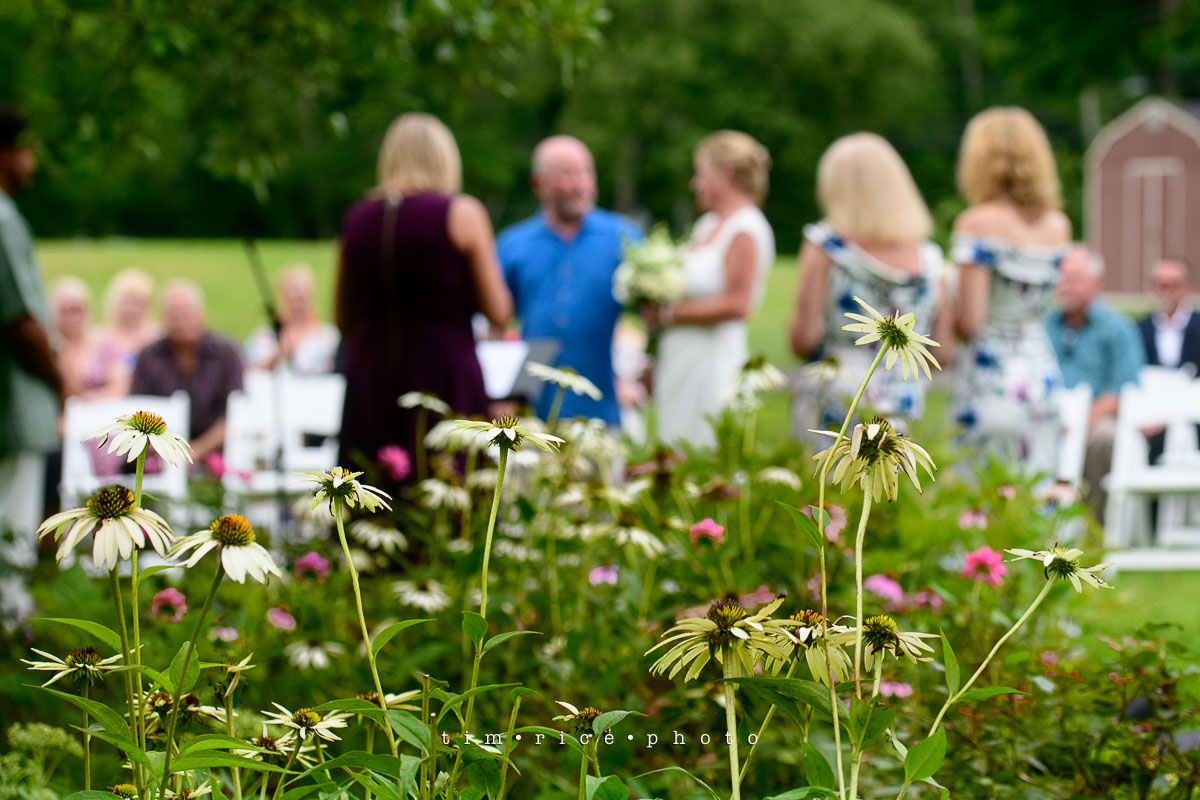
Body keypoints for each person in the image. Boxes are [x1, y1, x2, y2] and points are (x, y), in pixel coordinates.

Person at [336, 112, 512, 479]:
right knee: (448, 489)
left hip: (372, 379)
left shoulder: (357, 219)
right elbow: (499, 311)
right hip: (444, 375)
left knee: (373, 491)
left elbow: (342, 318)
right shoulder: (461, 214)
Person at [789, 132, 950, 438]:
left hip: (837, 399)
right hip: (902, 403)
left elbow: (804, 339)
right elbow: (942, 351)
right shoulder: (929, 258)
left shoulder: (826, 247)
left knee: (828, 469)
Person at [950, 107, 1072, 475]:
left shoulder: (977, 222)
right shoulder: (1058, 225)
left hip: (991, 378)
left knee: (982, 492)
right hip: (1042, 374)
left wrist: (943, 293)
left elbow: (970, 323)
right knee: (1036, 488)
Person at [497, 135, 642, 425]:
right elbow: (494, 324)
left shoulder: (624, 236)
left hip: (603, 399)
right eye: (567, 174)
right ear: (539, 183)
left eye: (586, 173)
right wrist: (500, 393)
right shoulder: (512, 244)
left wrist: (637, 374)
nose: (580, 184)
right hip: (531, 405)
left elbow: (650, 315)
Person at [649, 130, 775, 448]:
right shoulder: (706, 225)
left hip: (713, 363)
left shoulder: (746, 228)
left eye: (701, 174)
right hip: (681, 357)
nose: (695, 184)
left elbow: (738, 304)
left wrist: (667, 314)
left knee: (705, 447)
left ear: (726, 174)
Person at [0, 106, 60, 568]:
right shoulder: (3, 220)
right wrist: (59, 379)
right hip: (13, 405)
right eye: (26, 151)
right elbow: (20, 322)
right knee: (12, 536)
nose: (31, 164)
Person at [1046, 246, 1143, 513]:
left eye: (1074, 280)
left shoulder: (1117, 328)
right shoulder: (1046, 325)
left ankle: (1094, 523)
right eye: (1061, 279)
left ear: (1095, 283)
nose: (1065, 287)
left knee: (1103, 438)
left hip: (1095, 418)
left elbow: (1122, 391)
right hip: (1049, 415)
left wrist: (1077, 423)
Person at [130, 280, 243, 463]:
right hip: (160, 454)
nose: (182, 322)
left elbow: (235, 413)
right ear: (163, 319)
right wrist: (168, 452)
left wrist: (196, 451)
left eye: (188, 314)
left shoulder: (226, 353)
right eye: (175, 315)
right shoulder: (149, 357)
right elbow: (137, 410)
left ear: (202, 315)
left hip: (218, 451)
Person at [1138, 259, 1200, 464]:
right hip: (1149, 416)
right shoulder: (1139, 330)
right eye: (1161, 285)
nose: (1167, 292)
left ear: (1187, 287)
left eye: (1173, 285)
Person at [245, 264, 340, 374]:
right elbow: (247, 371)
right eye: (291, 290)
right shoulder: (264, 337)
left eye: (303, 290)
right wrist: (275, 358)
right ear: (282, 295)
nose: (298, 295)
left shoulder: (329, 336)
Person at [85, 268, 159, 398]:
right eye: (128, 301)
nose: (133, 308)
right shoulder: (100, 337)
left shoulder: (155, 337)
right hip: (106, 402)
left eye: (139, 302)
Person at [49, 277, 97, 399]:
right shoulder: (51, 348)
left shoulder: (102, 343)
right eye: (65, 311)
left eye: (77, 310)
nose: (73, 318)